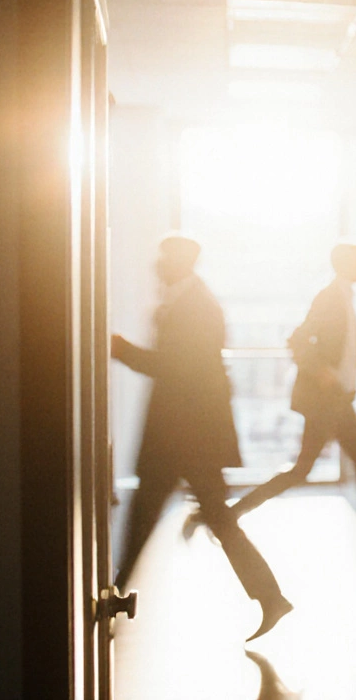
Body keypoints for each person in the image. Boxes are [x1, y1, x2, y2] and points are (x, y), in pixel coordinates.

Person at [113, 234, 292, 642]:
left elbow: (176, 368)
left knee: (161, 515)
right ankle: (270, 596)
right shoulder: (189, 300)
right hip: (187, 435)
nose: (157, 265)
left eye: (163, 258)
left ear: (180, 261)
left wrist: (122, 350)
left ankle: (115, 598)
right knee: (213, 517)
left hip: (185, 434)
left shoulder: (196, 306)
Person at [190, 242, 356, 562]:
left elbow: (349, 345)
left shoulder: (344, 299)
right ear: (344, 264)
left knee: (331, 466)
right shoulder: (329, 298)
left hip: (337, 400)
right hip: (327, 401)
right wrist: (321, 371)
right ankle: (229, 515)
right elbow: (297, 339)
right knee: (325, 467)